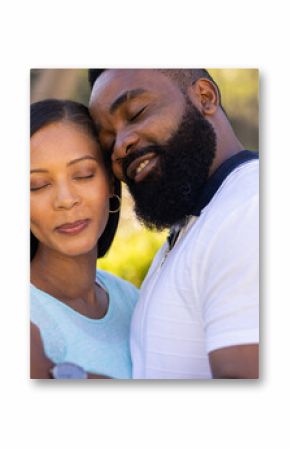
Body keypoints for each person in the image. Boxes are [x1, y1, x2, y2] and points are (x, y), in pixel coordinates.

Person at [88, 69, 259, 379]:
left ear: (204, 97)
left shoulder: (250, 209)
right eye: (107, 140)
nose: (120, 146)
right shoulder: (195, 226)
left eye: (137, 113)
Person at [30, 99, 138, 379]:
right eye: (38, 185)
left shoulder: (134, 300)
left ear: (112, 184)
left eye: (83, 174)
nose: (66, 200)